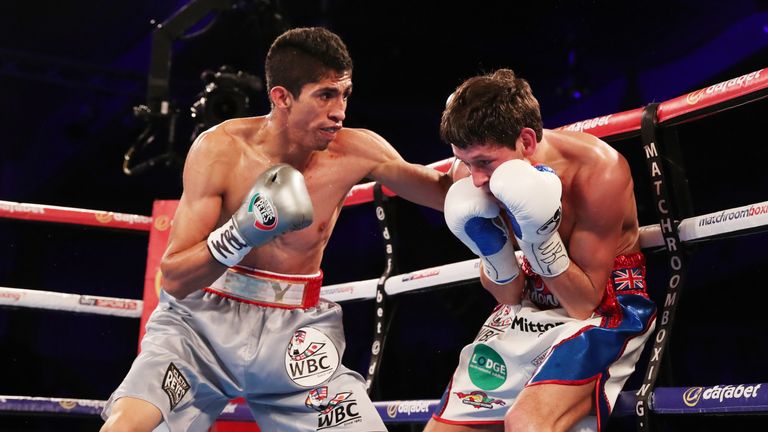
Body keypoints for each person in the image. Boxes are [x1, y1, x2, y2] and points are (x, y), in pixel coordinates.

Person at [100, 26, 450, 432]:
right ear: (282, 96)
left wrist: (488, 163)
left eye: (345, 94)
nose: (340, 111)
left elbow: (442, 194)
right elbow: (176, 278)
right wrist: (241, 232)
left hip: (295, 339)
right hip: (198, 330)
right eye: (325, 95)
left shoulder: (357, 150)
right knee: (126, 427)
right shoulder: (222, 150)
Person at [425, 69, 657, 432]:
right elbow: (510, 294)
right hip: (528, 303)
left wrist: (538, 238)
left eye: (484, 162)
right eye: (465, 162)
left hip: (605, 307)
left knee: (528, 423)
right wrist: (494, 251)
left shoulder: (597, 172)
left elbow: (584, 303)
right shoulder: (470, 177)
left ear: (527, 142)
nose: (476, 179)